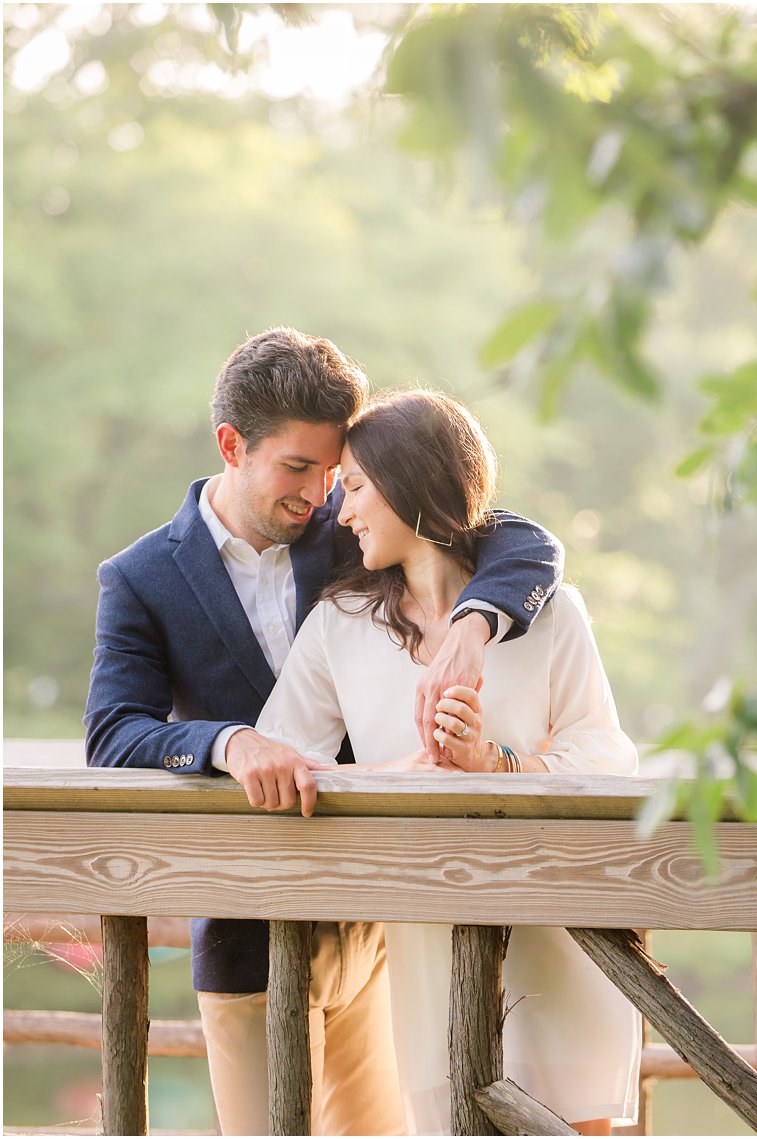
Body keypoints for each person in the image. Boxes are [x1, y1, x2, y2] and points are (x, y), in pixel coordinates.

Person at [85, 328, 564, 1136]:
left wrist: (476, 624)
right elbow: (112, 731)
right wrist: (229, 743)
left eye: (333, 471)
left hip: (373, 923)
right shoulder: (140, 578)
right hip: (247, 934)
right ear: (231, 446)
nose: (321, 494)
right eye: (298, 468)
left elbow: (523, 539)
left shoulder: (355, 528)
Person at [255, 389, 641, 1135]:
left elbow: (606, 756)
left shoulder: (550, 612)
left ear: (411, 486)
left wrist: (494, 762)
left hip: (561, 930)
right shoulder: (339, 625)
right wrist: (409, 775)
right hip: (430, 947)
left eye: (359, 488)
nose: (343, 512)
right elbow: (285, 760)